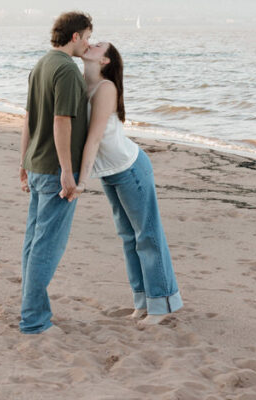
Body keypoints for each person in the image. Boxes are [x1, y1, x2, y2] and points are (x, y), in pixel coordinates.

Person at [65, 40, 182, 326]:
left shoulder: (106, 88)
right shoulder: (82, 83)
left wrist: (81, 181)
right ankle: (142, 302)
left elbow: (93, 138)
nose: (89, 44)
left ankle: (162, 304)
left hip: (130, 168)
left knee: (147, 236)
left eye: (97, 46)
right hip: (110, 172)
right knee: (129, 237)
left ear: (105, 61)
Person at [18, 11, 92, 334]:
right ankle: (33, 320)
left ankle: (33, 313)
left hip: (37, 165)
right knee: (47, 247)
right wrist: (67, 171)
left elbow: (28, 119)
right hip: (53, 173)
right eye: (87, 37)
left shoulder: (41, 65)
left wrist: (23, 162)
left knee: (34, 244)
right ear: (75, 36)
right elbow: (61, 121)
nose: (88, 44)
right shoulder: (66, 70)